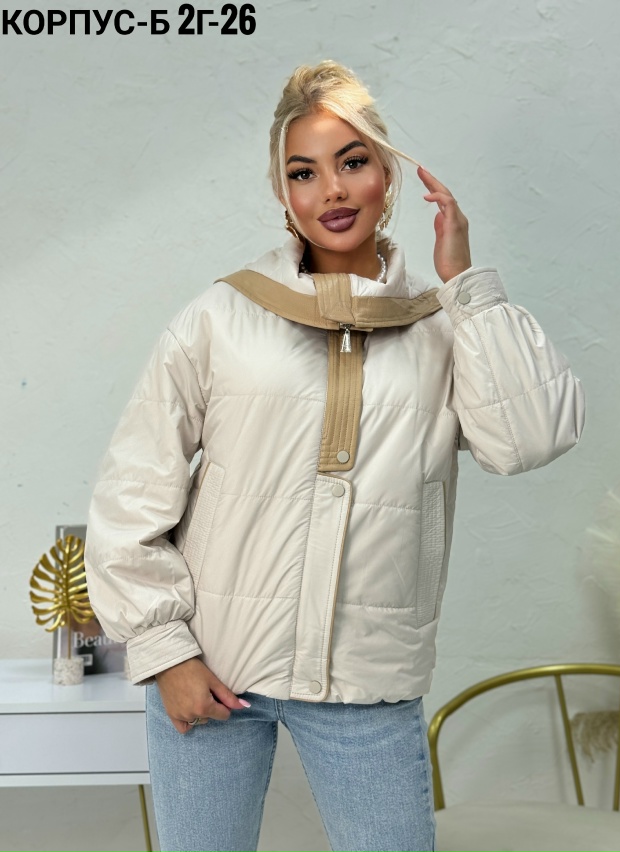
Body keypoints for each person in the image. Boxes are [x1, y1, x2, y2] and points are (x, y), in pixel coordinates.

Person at [85, 60, 585, 852]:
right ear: (282, 193)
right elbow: (132, 490)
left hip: (366, 681)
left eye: (353, 161)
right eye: (304, 172)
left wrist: (466, 285)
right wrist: (164, 652)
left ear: (388, 172)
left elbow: (529, 439)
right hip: (211, 669)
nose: (333, 191)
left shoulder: (443, 326)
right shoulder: (222, 317)